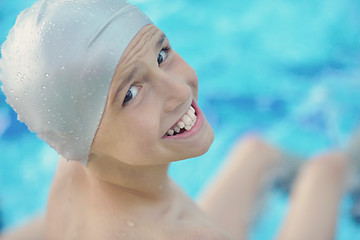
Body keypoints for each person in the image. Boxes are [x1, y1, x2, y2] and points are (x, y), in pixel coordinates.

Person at [0, 0, 351, 239]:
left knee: (255, 153)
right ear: (82, 137)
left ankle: (266, 161)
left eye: (162, 54)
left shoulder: (74, 163)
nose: (179, 93)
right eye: (130, 94)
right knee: (329, 169)